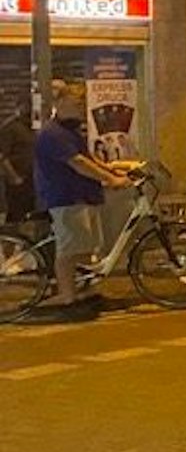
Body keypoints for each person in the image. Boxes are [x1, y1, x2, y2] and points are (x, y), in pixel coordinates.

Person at [34, 89, 130, 321]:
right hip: (66, 197)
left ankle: (88, 294)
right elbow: (77, 163)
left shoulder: (70, 130)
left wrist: (112, 168)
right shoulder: (52, 133)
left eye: (81, 102)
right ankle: (68, 299)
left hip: (84, 196)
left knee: (87, 248)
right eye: (75, 102)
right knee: (69, 250)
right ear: (59, 102)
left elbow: (87, 158)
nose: (79, 106)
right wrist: (111, 180)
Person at [0, 98, 35, 224]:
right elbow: (2, 156)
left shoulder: (32, 126)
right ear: (18, 106)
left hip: (32, 179)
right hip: (18, 180)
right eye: (26, 105)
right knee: (16, 215)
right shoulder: (10, 127)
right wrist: (14, 177)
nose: (29, 109)